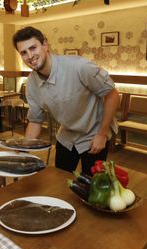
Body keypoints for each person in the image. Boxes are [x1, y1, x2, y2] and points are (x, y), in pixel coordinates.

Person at [12, 26, 119, 175]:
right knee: (60, 180)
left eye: (33, 48)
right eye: (23, 52)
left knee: (91, 186)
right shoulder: (31, 84)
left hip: (94, 132)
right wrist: (23, 149)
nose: (29, 56)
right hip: (67, 135)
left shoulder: (79, 66)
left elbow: (112, 95)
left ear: (45, 45)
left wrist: (102, 134)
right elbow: (35, 120)